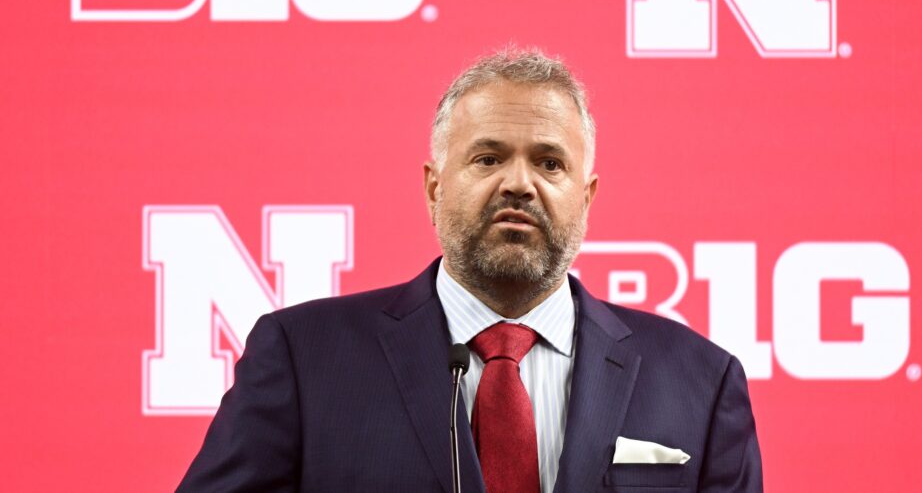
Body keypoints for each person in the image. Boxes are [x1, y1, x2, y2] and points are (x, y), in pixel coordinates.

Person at [178, 49, 763, 492]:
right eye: (487, 158)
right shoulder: (304, 358)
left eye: (549, 163)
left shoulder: (701, 384)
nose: (517, 183)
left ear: (586, 198)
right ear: (434, 188)